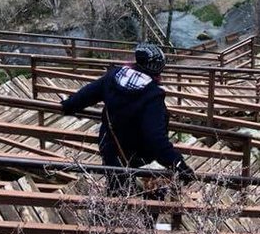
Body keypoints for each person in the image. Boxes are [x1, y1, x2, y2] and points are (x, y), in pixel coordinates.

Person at [60, 42, 195, 196]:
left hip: (110, 147)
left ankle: (111, 211)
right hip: (138, 156)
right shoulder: (152, 96)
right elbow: (155, 138)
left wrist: (67, 106)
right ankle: (137, 216)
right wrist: (178, 163)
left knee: (116, 185)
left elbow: (86, 95)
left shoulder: (113, 76)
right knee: (146, 195)